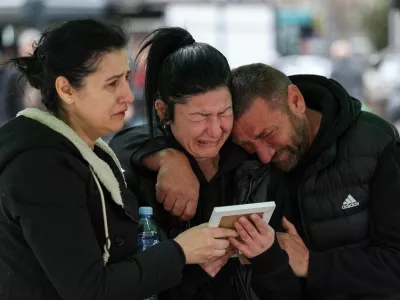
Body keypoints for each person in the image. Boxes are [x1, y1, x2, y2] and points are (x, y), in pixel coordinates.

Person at [0, 19, 244, 300]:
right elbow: (89, 289)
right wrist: (179, 252)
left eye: (126, 78)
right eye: (112, 84)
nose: (128, 96)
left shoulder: (91, 151)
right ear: (66, 90)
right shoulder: (40, 167)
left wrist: (196, 264)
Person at [112, 62, 400, 299]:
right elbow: (131, 138)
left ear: (296, 101)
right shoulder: (246, 137)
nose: (263, 156)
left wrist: (312, 264)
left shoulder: (373, 143)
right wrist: (168, 159)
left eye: (267, 135)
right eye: (248, 146)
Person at [110, 28, 298, 300]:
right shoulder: (140, 180)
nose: (215, 130)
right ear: (163, 112)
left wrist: (268, 256)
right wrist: (193, 269)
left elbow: (287, 290)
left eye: (224, 113)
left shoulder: (255, 169)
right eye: (200, 117)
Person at [0, 28, 43, 125]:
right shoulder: (12, 73)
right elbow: (7, 104)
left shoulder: (45, 71)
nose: (30, 50)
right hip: (18, 122)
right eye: (28, 46)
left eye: (34, 46)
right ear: (20, 49)